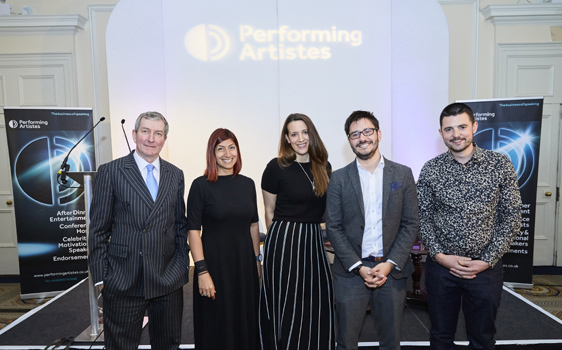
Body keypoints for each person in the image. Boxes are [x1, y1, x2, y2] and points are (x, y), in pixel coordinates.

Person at [417, 102, 522, 350]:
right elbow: (422, 217)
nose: (456, 134)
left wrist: (487, 260)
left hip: (485, 269)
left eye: (462, 126)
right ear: (441, 133)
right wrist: (442, 257)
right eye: (449, 129)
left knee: (482, 338)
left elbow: (511, 216)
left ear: (474, 126)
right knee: (440, 336)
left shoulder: (500, 165)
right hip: (442, 270)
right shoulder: (431, 169)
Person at [88, 111, 189, 350]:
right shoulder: (111, 171)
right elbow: (98, 230)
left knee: (168, 345)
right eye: (145, 131)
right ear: (134, 135)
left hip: (167, 279)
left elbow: (179, 226)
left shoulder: (175, 174)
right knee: (120, 346)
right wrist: (103, 278)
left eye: (158, 133)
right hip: (124, 278)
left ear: (164, 138)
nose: (151, 139)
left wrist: (181, 266)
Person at [326, 110, 419, 350]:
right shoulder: (338, 178)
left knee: (390, 341)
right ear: (349, 140)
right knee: (346, 342)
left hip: (392, 271)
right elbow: (334, 227)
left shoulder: (403, 173)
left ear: (378, 134)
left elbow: (410, 223)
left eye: (367, 131)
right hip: (351, 273)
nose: (362, 138)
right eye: (355, 134)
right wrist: (358, 267)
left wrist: (390, 264)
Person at [259, 113, 335, 350]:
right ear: (287, 138)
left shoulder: (324, 166)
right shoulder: (276, 167)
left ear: (311, 134)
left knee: (316, 299)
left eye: (304, 132)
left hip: (313, 240)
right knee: (286, 302)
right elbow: (269, 212)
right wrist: (276, 246)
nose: (301, 138)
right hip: (284, 241)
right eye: (294, 134)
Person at [187, 128, 261, 350]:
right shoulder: (200, 185)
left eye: (231, 147)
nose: (227, 153)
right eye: (220, 148)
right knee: (216, 327)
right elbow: (192, 231)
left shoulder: (247, 184)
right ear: (212, 153)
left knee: (245, 325)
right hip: (214, 269)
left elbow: (254, 224)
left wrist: (257, 260)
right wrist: (201, 271)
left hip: (244, 267)